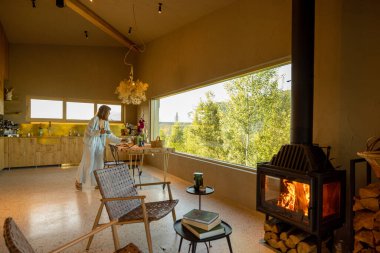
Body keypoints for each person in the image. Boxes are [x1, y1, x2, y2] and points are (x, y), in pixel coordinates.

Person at [75, 105, 125, 190]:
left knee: (99, 163)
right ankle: (79, 182)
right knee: (88, 163)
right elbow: (88, 132)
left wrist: (120, 140)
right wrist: (100, 131)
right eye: (108, 112)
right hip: (91, 143)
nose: (109, 114)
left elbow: (109, 134)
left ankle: (98, 182)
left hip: (100, 144)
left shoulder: (106, 122)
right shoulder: (94, 120)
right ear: (104, 112)